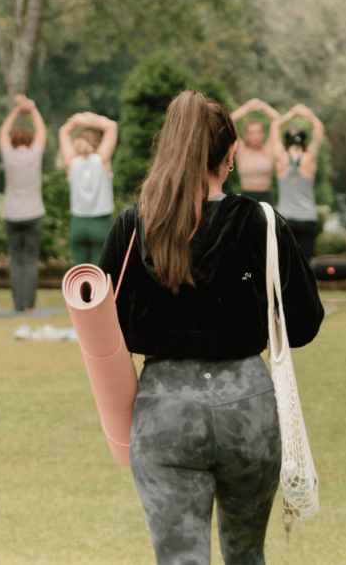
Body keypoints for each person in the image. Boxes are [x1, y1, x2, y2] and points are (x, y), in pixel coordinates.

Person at [99, 90, 324, 565]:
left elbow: (103, 332)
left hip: (164, 408)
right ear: (230, 155)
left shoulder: (134, 225)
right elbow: (303, 325)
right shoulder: (262, 223)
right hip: (248, 404)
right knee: (246, 555)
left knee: (181, 558)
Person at [0, 95, 47, 312]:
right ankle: (29, 305)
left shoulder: (8, 155)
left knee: (16, 261)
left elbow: (2, 132)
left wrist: (17, 111)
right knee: (30, 261)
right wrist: (32, 108)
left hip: (12, 215)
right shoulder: (35, 154)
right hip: (34, 213)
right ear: (29, 141)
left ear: (14, 141)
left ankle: (18, 304)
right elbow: (42, 130)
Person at [58, 111, 117, 265]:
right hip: (102, 223)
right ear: (97, 143)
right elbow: (112, 126)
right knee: (100, 274)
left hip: (78, 223)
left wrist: (77, 120)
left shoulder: (72, 162)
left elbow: (63, 131)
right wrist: (91, 119)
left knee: (79, 275)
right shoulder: (102, 159)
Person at [269, 104, 325, 260]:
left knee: (286, 266)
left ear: (286, 141)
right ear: (304, 141)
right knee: (305, 266)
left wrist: (291, 113)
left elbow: (274, 126)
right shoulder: (310, 158)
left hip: (286, 220)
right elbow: (319, 127)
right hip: (308, 219)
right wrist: (308, 114)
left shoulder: (281, 158)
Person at [231, 98, 280, 203]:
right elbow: (229, 120)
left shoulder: (269, 150)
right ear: (246, 135)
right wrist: (246, 108)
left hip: (266, 197)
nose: (256, 136)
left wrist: (262, 105)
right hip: (245, 197)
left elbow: (277, 119)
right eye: (252, 133)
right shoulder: (241, 151)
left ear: (264, 134)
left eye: (259, 132)